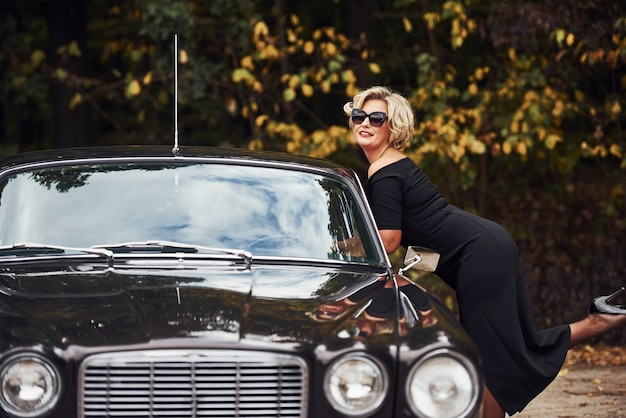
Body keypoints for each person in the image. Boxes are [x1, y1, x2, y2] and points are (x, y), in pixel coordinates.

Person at [343, 85, 626, 417]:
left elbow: (388, 240)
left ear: (394, 127)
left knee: (489, 352)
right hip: (485, 245)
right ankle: (598, 320)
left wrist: (341, 249)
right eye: (359, 115)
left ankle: (598, 322)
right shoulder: (391, 165)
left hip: (478, 253)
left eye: (377, 117)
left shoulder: (383, 171)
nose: (365, 122)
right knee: (508, 346)